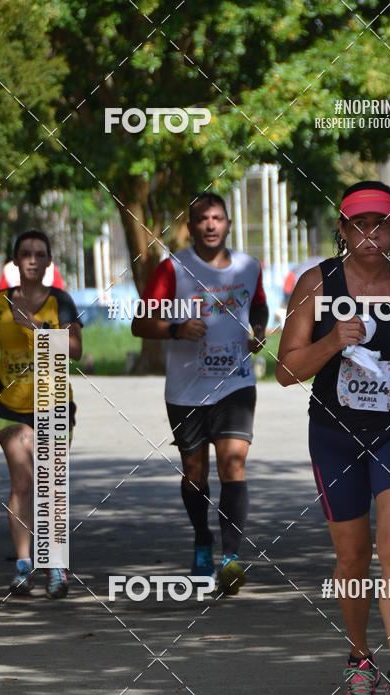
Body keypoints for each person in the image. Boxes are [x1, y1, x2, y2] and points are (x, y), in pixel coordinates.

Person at [276, 181, 390, 695]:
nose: (370, 233)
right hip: (334, 433)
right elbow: (286, 370)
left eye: (381, 223)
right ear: (342, 230)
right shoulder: (317, 284)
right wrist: (332, 340)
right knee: (352, 553)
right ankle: (359, 662)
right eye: (359, 223)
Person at [132, 192, 269, 593]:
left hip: (236, 382)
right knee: (195, 471)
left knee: (234, 463)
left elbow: (258, 306)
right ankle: (202, 538)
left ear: (228, 224)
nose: (211, 225)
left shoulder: (248, 266)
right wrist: (176, 329)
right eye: (202, 219)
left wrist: (257, 331)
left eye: (218, 218)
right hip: (187, 388)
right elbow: (140, 324)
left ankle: (230, 558)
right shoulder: (171, 269)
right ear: (190, 227)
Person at [0, 230, 82, 597]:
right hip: (10, 407)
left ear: (49, 262)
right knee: (23, 481)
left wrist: (35, 326)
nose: (32, 259)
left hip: (55, 404)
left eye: (39, 254)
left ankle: (57, 566)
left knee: (52, 486)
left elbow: (76, 349)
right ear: (15, 262)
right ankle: (22, 565)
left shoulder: (60, 301)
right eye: (25, 254)